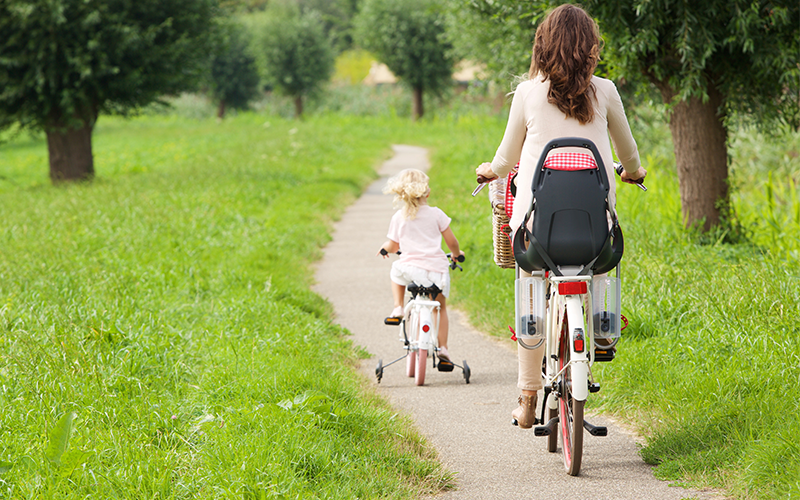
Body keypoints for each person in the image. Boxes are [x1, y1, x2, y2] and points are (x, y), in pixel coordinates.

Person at [475, 4, 647, 428]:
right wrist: (634, 173)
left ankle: (528, 397)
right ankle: (603, 331)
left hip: (538, 235)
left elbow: (505, 158)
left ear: (543, 46)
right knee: (604, 261)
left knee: (530, 289)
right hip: (594, 234)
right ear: (591, 48)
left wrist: (488, 172)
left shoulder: (529, 93)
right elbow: (629, 153)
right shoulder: (604, 90)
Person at [378, 168, 465, 362]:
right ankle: (443, 349)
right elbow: (452, 243)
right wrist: (457, 255)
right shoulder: (436, 214)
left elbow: (393, 246)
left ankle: (398, 307)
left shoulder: (399, 217)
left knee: (396, 272)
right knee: (440, 308)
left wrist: (384, 248)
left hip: (410, 270)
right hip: (436, 271)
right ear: (427, 191)